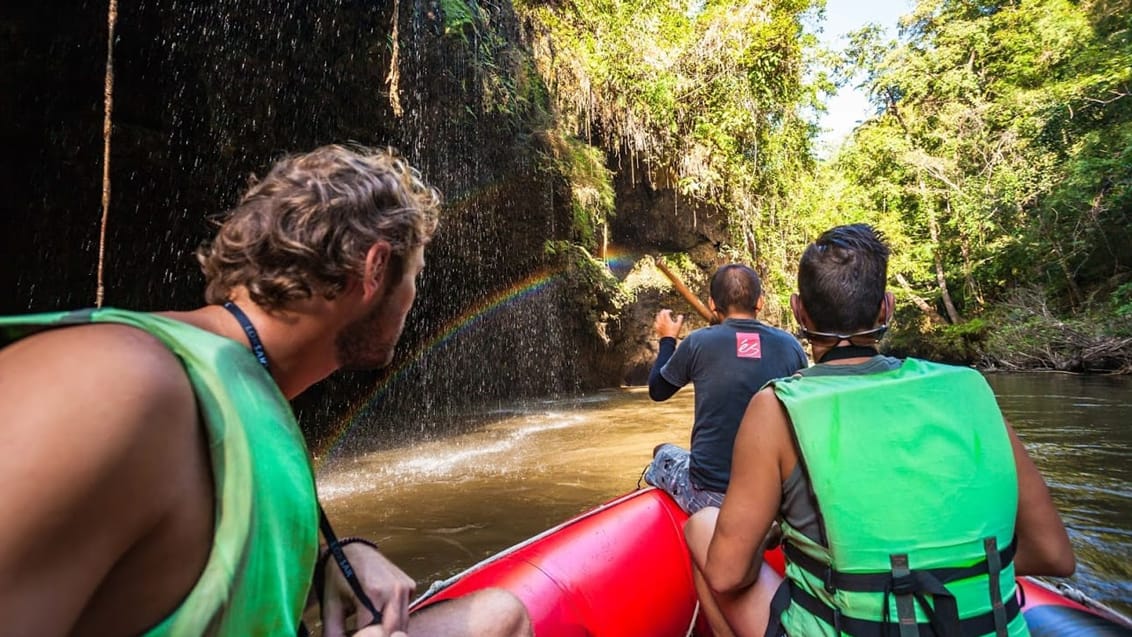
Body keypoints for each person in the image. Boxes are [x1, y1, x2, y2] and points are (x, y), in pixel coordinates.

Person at [0, 145, 531, 637]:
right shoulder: (120, 381)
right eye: (414, 276)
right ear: (374, 270)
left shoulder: (245, 384)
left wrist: (332, 557)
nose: (413, 300)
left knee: (500, 616)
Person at [684, 224, 1075, 637]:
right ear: (886, 309)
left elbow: (727, 576)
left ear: (800, 312)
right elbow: (1053, 555)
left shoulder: (776, 408)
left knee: (702, 524)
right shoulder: (971, 389)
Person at [644, 264, 808, 514]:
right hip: (775, 494)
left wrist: (668, 339)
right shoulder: (790, 345)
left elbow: (657, 390)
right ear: (760, 302)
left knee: (662, 452)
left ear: (712, 304)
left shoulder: (698, 342)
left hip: (712, 493)